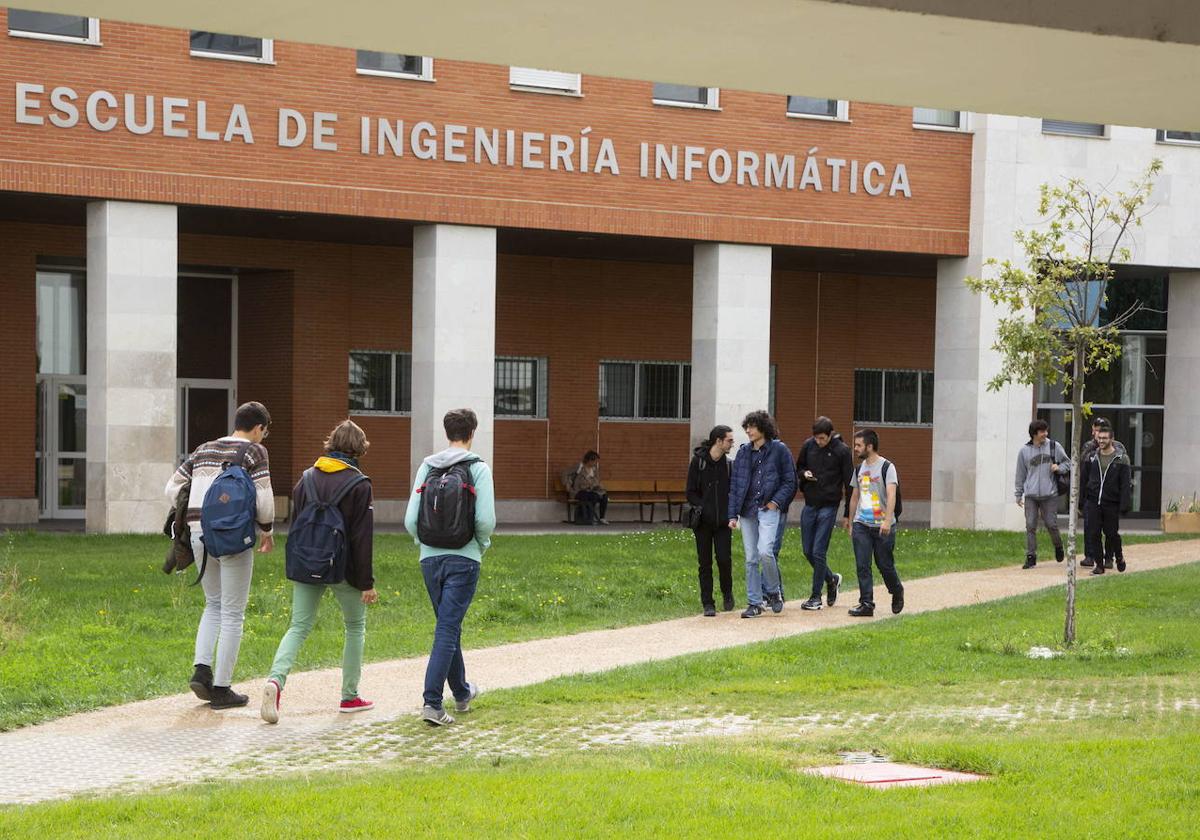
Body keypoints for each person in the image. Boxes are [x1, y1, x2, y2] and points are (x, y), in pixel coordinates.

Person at [261, 420, 378, 724]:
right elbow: (362, 538)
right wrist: (366, 583)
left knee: (298, 626)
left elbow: (299, 526)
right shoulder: (360, 484)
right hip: (344, 569)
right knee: (354, 627)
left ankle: (275, 681)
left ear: (331, 444)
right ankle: (349, 696)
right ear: (359, 449)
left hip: (307, 561)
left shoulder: (305, 479)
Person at [165, 401, 275, 710]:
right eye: (264, 432)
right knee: (233, 612)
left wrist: (202, 508)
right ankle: (223, 688)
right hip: (232, 534)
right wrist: (266, 531)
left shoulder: (203, 449)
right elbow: (264, 498)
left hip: (198, 532)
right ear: (257, 428)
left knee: (213, 604)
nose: (263, 438)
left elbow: (171, 488)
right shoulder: (255, 452)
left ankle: (202, 670)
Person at [405, 408, 497, 726]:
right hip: (464, 557)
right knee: (447, 628)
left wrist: (424, 545)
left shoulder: (427, 466)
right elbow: (485, 520)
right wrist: (480, 546)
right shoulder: (478, 468)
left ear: (447, 432)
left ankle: (461, 692)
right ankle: (432, 703)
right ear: (472, 432)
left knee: (448, 624)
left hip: (430, 559)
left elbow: (409, 519)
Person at [727, 410, 796, 618]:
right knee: (751, 558)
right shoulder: (743, 452)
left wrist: (776, 502)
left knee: (766, 552)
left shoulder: (779, 450)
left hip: (768, 509)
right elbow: (735, 485)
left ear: (763, 428)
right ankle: (754, 603)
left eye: (751, 426)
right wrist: (732, 515)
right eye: (746, 427)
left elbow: (790, 481)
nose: (748, 430)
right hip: (747, 511)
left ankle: (774, 591)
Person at [795, 416, 852, 611]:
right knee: (807, 551)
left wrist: (847, 514)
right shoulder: (808, 446)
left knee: (819, 551)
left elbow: (849, 484)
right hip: (810, 503)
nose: (818, 442)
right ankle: (832, 579)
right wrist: (804, 474)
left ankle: (815, 596)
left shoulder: (842, 452)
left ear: (830, 435)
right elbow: (799, 467)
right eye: (816, 438)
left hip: (829, 505)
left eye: (822, 439)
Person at [845, 428, 904, 617]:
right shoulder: (858, 469)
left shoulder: (887, 467)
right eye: (855, 445)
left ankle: (896, 591)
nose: (855, 448)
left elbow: (891, 494)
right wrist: (851, 520)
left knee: (884, 564)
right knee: (862, 565)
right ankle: (866, 604)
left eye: (858, 445)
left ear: (869, 446)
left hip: (883, 526)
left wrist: (887, 520)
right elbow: (855, 496)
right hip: (862, 523)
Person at [686, 425, 735, 616]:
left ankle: (727, 594)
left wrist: (731, 514)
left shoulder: (729, 465)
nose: (732, 443)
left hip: (723, 523)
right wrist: (702, 508)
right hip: (703, 524)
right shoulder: (698, 463)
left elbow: (733, 492)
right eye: (729, 440)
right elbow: (690, 492)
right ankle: (708, 602)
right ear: (718, 441)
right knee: (704, 563)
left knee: (724, 560)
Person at [1015, 419, 1069, 569]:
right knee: (1030, 525)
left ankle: (1058, 546)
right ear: (1034, 434)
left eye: (1046, 431)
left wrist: (1059, 467)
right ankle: (1031, 556)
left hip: (1050, 494)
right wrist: (1018, 494)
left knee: (1051, 524)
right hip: (1031, 495)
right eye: (1042, 431)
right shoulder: (1024, 451)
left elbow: (1068, 463)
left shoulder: (1054, 446)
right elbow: (1020, 474)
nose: (1045, 434)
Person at [1081, 426, 1132, 575]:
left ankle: (1119, 557)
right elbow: (1084, 480)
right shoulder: (1091, 457)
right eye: (1099, 438)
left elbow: (1125, 484)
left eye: (1104, 438)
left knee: (1111, 533)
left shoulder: (1121, 459)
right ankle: (1099, 565)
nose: (1101, 441)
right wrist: (1082, 501)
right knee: (1094, 533)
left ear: (1111, 439)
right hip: (1093, 501)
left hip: (1111, 503)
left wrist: (1124, 504)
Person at [569, 451, 608, 525]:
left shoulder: (594, 470)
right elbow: (564, 473)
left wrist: (599, 486)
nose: (596, 463)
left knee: (604, 496)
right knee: (593, 496)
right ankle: (590, 517)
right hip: (579, 491)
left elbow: (597, 481)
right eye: (595, 461)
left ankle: (602, 518)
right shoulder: (579, 467)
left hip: (591, 490)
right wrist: (567, 484)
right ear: (590, 460)